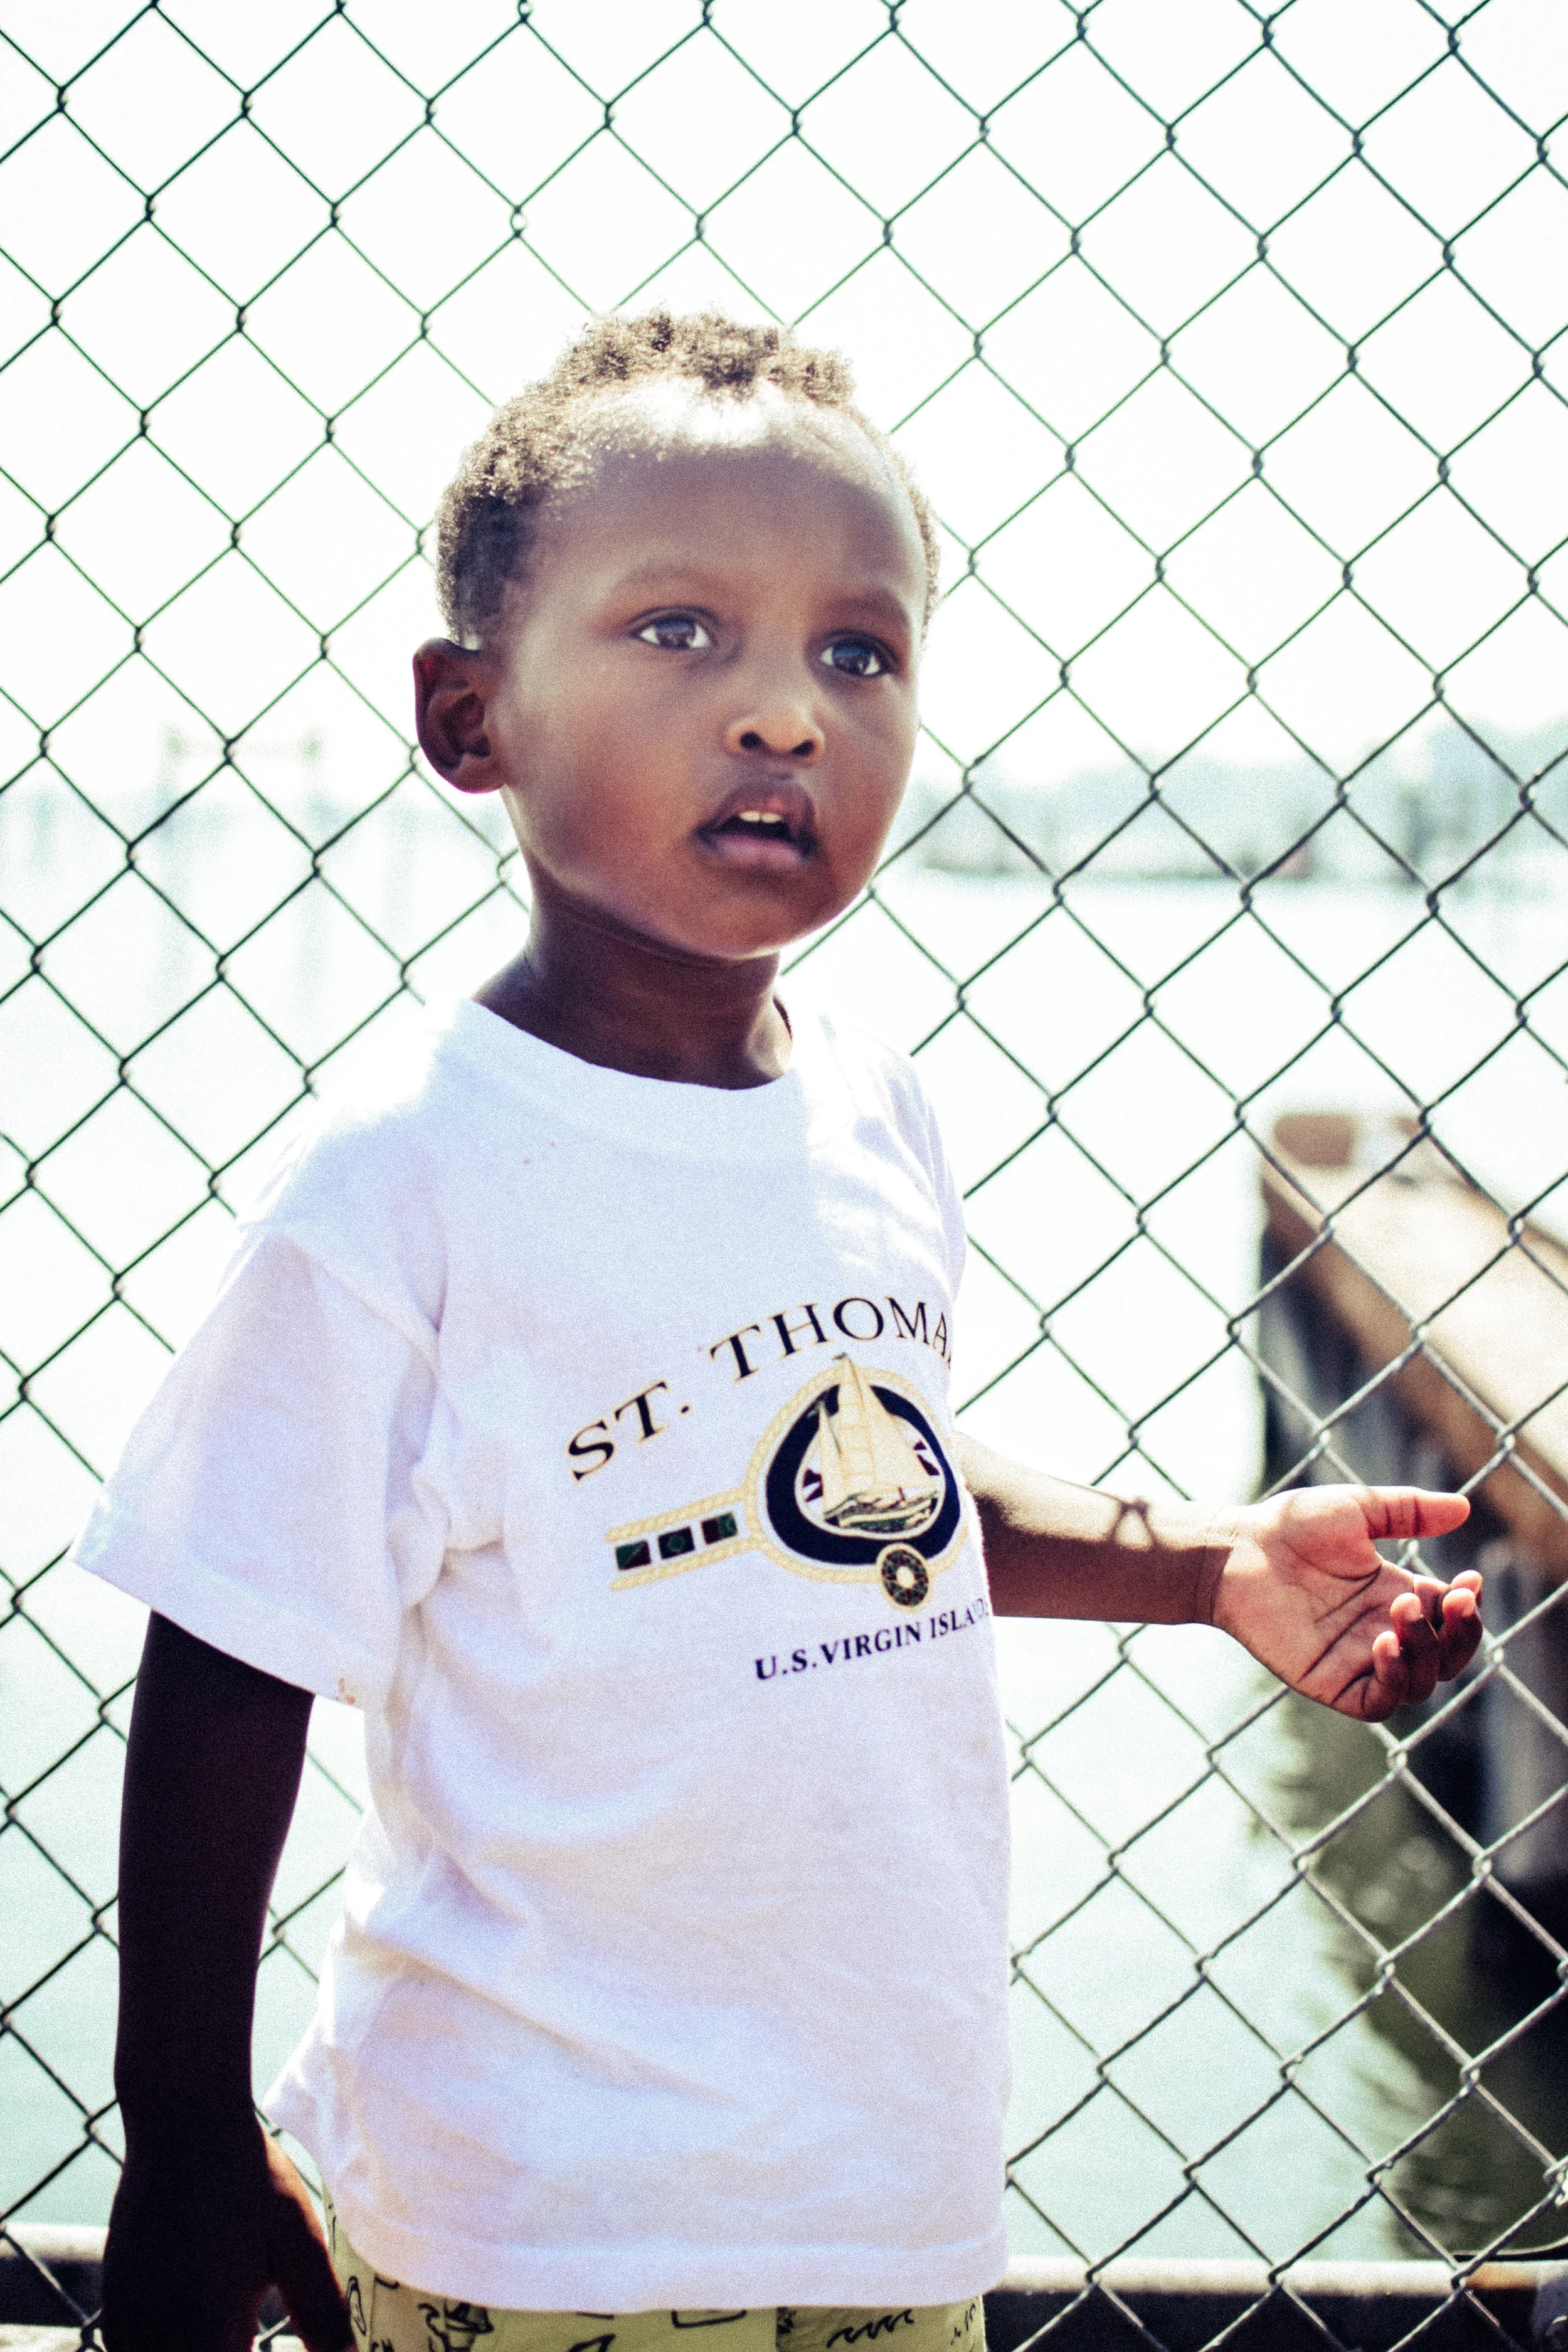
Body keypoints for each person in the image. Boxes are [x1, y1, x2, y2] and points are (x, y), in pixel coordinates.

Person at [78, 312, 1483, 2352]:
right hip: (527, 2220)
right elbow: (228, 1655)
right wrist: (185, 2126)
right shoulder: (404, 1190)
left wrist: (1199, 1564)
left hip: (879, 2203)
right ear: (470, 719)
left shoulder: (871, 1110)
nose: (787, 716)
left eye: (857, 651)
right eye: (677, 633)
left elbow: (846, 1469)